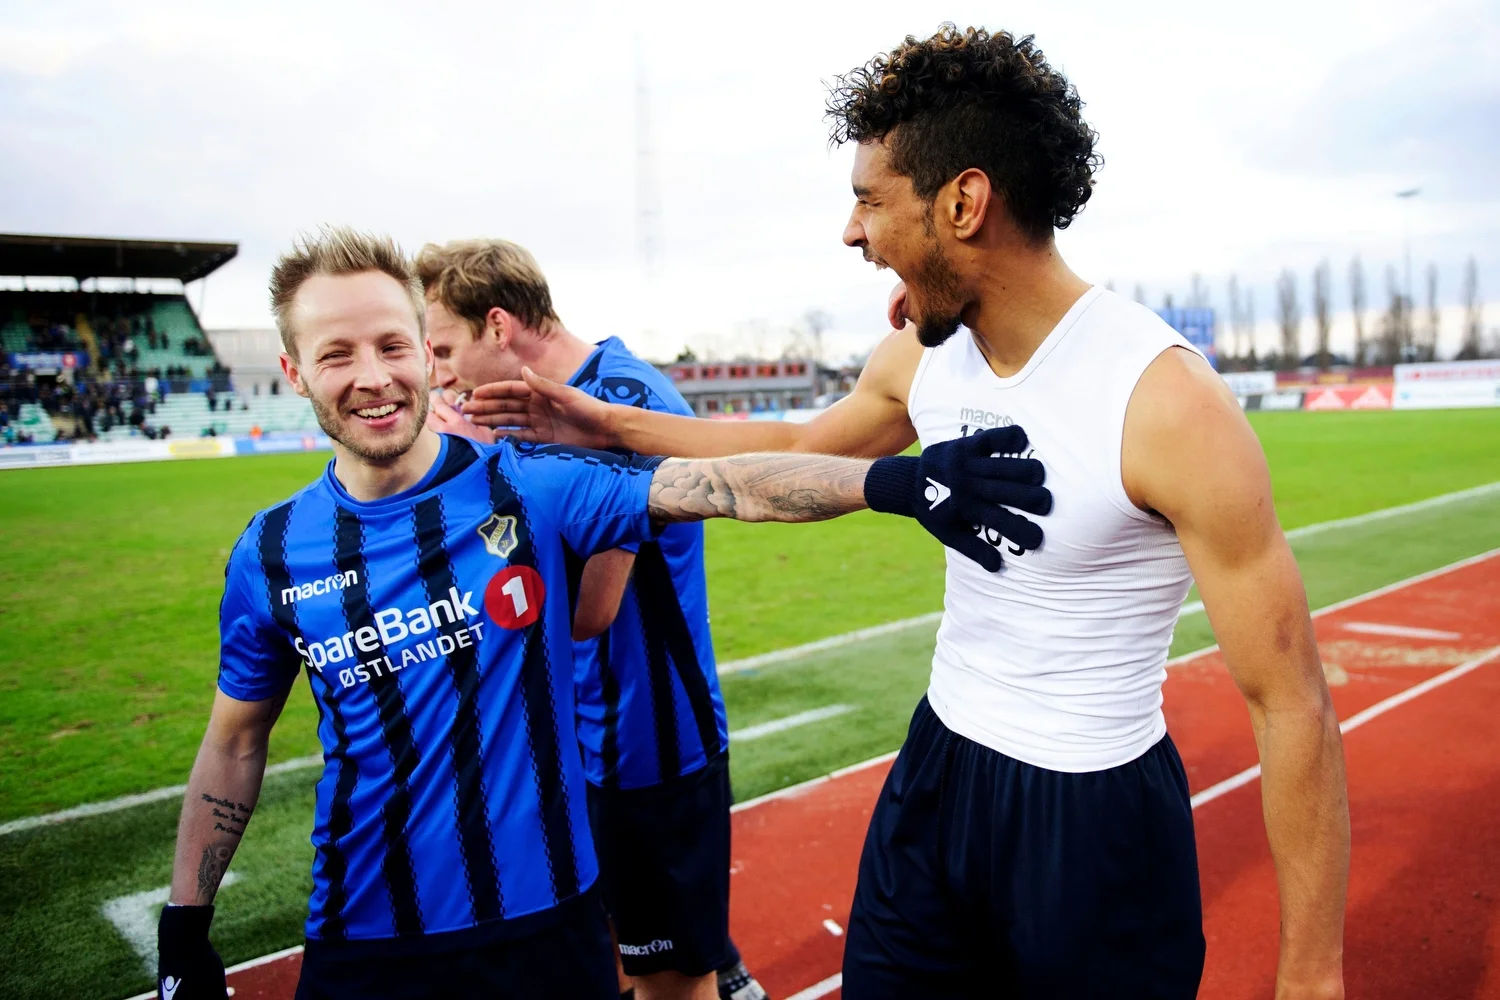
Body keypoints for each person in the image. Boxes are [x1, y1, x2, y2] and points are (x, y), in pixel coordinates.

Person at [463, 25, 1349, 1000]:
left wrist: (1311, 971)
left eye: (868, 200)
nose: (852, 232)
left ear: (963, 202)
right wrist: (589, 415)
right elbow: (799, 449)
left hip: (1091, 817)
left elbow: (1290, 698)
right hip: (935, 776)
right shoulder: (924, 356)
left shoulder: (1165, 401)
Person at [156, 226, 1048, 1000]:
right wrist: (185, 926)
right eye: (338, 354)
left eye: (398, 346)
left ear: (425, 353)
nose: (378, 377)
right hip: (362, 937)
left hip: (546, 926)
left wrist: (899, 481)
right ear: (293, 371)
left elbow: (729, 487)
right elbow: (235, 742)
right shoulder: (269, 553)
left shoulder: (530, 483)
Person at [416, 238, 771, 1000]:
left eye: (443, 348)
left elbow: (587, 610)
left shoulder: (625, 402)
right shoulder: (531, 410)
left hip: (648, 744)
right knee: (616, 956)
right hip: (577, 743)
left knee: (669, 982)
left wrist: (485, 467)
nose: (437, 373)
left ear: (500, 326)